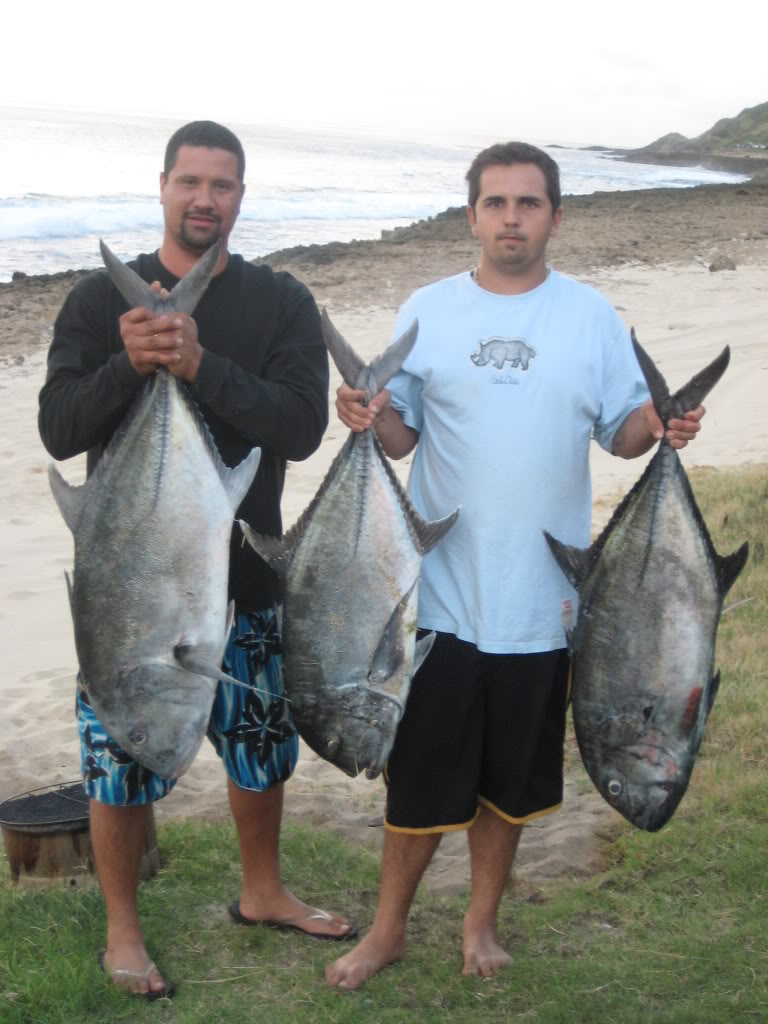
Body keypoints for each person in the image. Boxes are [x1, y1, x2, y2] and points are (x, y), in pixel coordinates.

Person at [326, 141, 705, 990]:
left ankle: (480, 922)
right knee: (421, 783)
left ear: (555, 217)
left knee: (510, 787)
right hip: (443, 598)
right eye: (494, 203)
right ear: (471, 215)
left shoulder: (593, 319)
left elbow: (621, 432)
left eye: (528, 204)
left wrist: (663, 423)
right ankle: (387, 931)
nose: (511, 218)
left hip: (550, 603)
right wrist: (363, 411)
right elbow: (401, 435)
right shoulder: (429, 310)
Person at [38, 120, 354, 1000]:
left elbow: (298, 425)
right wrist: (128, 366)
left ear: (240, 197)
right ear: (164, 186)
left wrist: (202, 364)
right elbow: (59, 427)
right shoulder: (99, 305)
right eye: (190, 182)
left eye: (222, 185)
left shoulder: (281, 302)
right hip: (126, 589)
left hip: (245, 578)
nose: (204, 198)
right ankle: (123, 931)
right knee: (116, 761)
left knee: (260, 751)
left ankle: (263, 891)